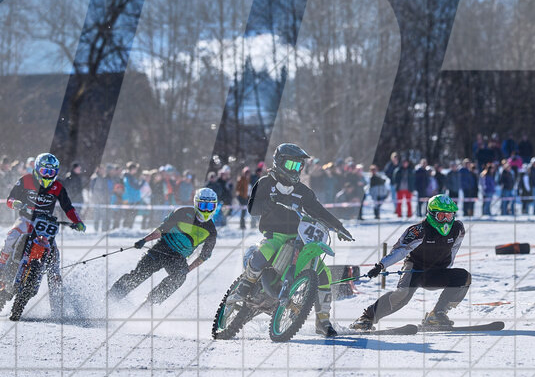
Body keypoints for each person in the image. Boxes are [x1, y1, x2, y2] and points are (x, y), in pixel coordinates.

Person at [242, 143, 354, 337]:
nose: (296, 170)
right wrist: (270, 203)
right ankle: (245, 284)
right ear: (279, 162)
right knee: (267, 250)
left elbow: (319, 211)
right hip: (275, 234)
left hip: (299, 236)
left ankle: (323, 320)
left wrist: (338, 227)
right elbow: (253, 208)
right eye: (292, 165)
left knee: (323, 273)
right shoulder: (266, 183)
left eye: (299, 166)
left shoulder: (303, 191)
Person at [350, 194, 469, 331]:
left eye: (449, 216)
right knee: (402, 294)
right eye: (442, 216)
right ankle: (366, 318)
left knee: (464, 277)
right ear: (432, 214)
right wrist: (381, 266)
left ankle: (437, 315)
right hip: (415, 269)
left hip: (436, 272)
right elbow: (400, 251)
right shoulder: (419, 230)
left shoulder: (458, 228)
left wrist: (447, 267)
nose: (446, 220)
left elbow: (454, 249)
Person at [0, 153, 86, 298]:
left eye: (51, 172)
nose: (47, 175)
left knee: (54, 254)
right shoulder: (26, 180)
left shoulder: (58, 186)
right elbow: (11, 198)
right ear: (37, 169)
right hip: (26, 219)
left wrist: (77, 221)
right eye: (44, 171)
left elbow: (68, 207)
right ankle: (1, 267)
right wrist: (15, 203)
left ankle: (56, 287)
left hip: (45, 223)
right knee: (12, 236)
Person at [108, 188, 218, 305]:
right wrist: (144, 240)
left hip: (178, 257)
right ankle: (111, 297)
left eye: (210, 207)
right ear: (196, 203)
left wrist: (187, 269)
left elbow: (204, 256)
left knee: (179, 277)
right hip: (162, 248)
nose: (206, 210)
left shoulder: (211, 230)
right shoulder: (182, 212)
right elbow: (162, 230)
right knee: (139, 274)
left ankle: (149, 303)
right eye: (203, 206)